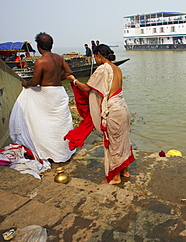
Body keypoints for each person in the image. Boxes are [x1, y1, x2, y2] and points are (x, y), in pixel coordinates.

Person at [66, 44, 135, 185]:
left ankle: (116, 178)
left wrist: (73, 80)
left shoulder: (103, 68)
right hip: (123, 108)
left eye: (94, 57)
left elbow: (87, 88)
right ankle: (125, 171)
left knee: (114, 144)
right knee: (123, 141)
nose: (94, 60)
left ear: (98, 55)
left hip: (113, 111)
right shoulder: (117, 69)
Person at [9, 32, 75, 162]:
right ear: (52, 45)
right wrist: (57, 78)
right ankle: (64, 151)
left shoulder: (40, 61)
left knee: (44, 123)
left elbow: (34, 82)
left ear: (39, 46)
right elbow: (69, 72)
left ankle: (48, 151)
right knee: (60, 123)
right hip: (60, 92)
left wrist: (25, 83)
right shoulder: (59, 58)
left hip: (48, 94)